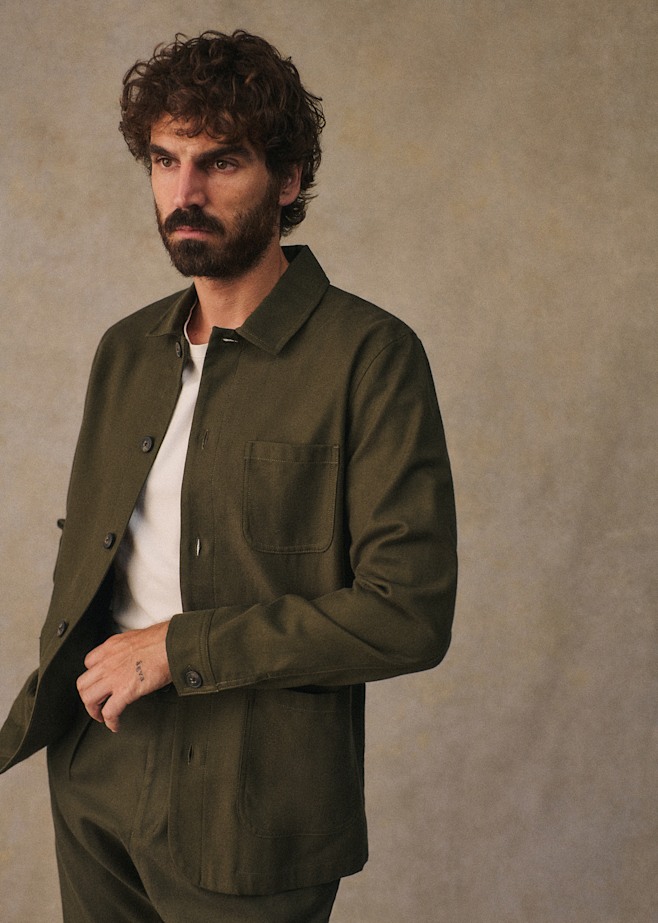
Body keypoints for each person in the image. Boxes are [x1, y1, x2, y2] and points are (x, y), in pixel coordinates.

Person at [0, 29, 457, 923]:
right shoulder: (126, 350)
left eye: (221, 161)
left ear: (287, 180)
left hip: (254, 803)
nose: (186, 193)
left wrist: (181, 647)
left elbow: (408, 614)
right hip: (97, 769)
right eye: (165, 160)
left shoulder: (371, 357)